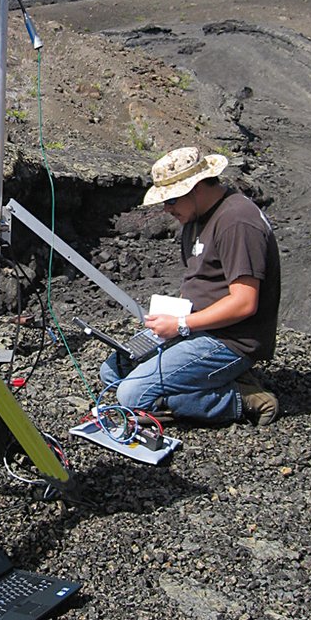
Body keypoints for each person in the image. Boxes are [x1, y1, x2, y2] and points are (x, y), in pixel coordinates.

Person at [100, 146, 281, 426]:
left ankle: (239, 398)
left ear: (195, 188)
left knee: (132, 395)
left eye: (171, 200)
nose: (167, 208)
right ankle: (206, 379)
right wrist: (171, 322)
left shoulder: (237, 222)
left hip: (230, 340)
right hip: (197, 328)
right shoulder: (196, 218)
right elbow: (198, 280)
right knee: (111, 372)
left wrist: (182, 324)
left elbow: (245, 302)